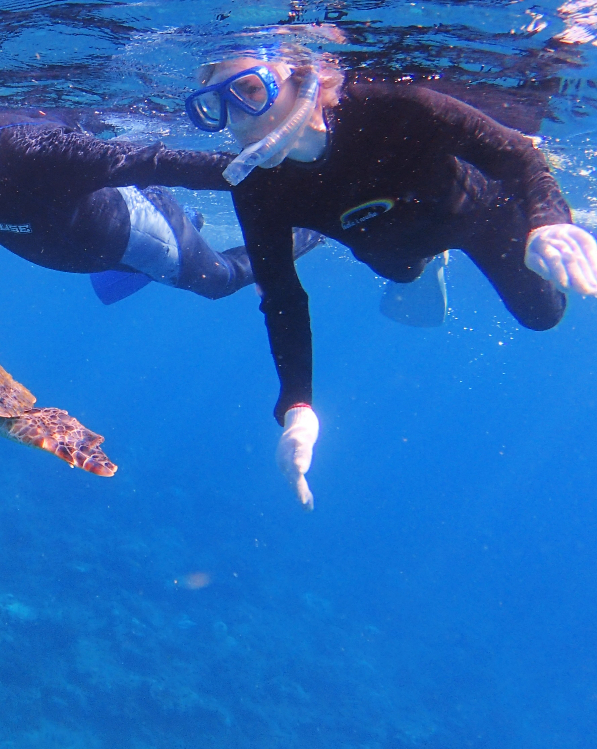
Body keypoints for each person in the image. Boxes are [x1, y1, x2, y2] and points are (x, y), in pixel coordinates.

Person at [185, 48, 597, 510]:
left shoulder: (397, 105)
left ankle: (563, 47)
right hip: (382, 242)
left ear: (302, 79)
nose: (238, 117)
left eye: (250, 90)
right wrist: (297, 407)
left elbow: (517, 154)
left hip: (482, 217)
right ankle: (423, 267)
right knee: (398, 266)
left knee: (542, 316)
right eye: (215, 105)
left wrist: (546, 222)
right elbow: (282, 296)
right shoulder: (257, 187)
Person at [0, 83, 321, 308]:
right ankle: (190, 223)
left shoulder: (30, 148)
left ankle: (311, 230)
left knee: (217, 282)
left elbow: (155, 162)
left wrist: (276, 177)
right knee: (109, 288)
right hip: (88, 254)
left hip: (138, 230)